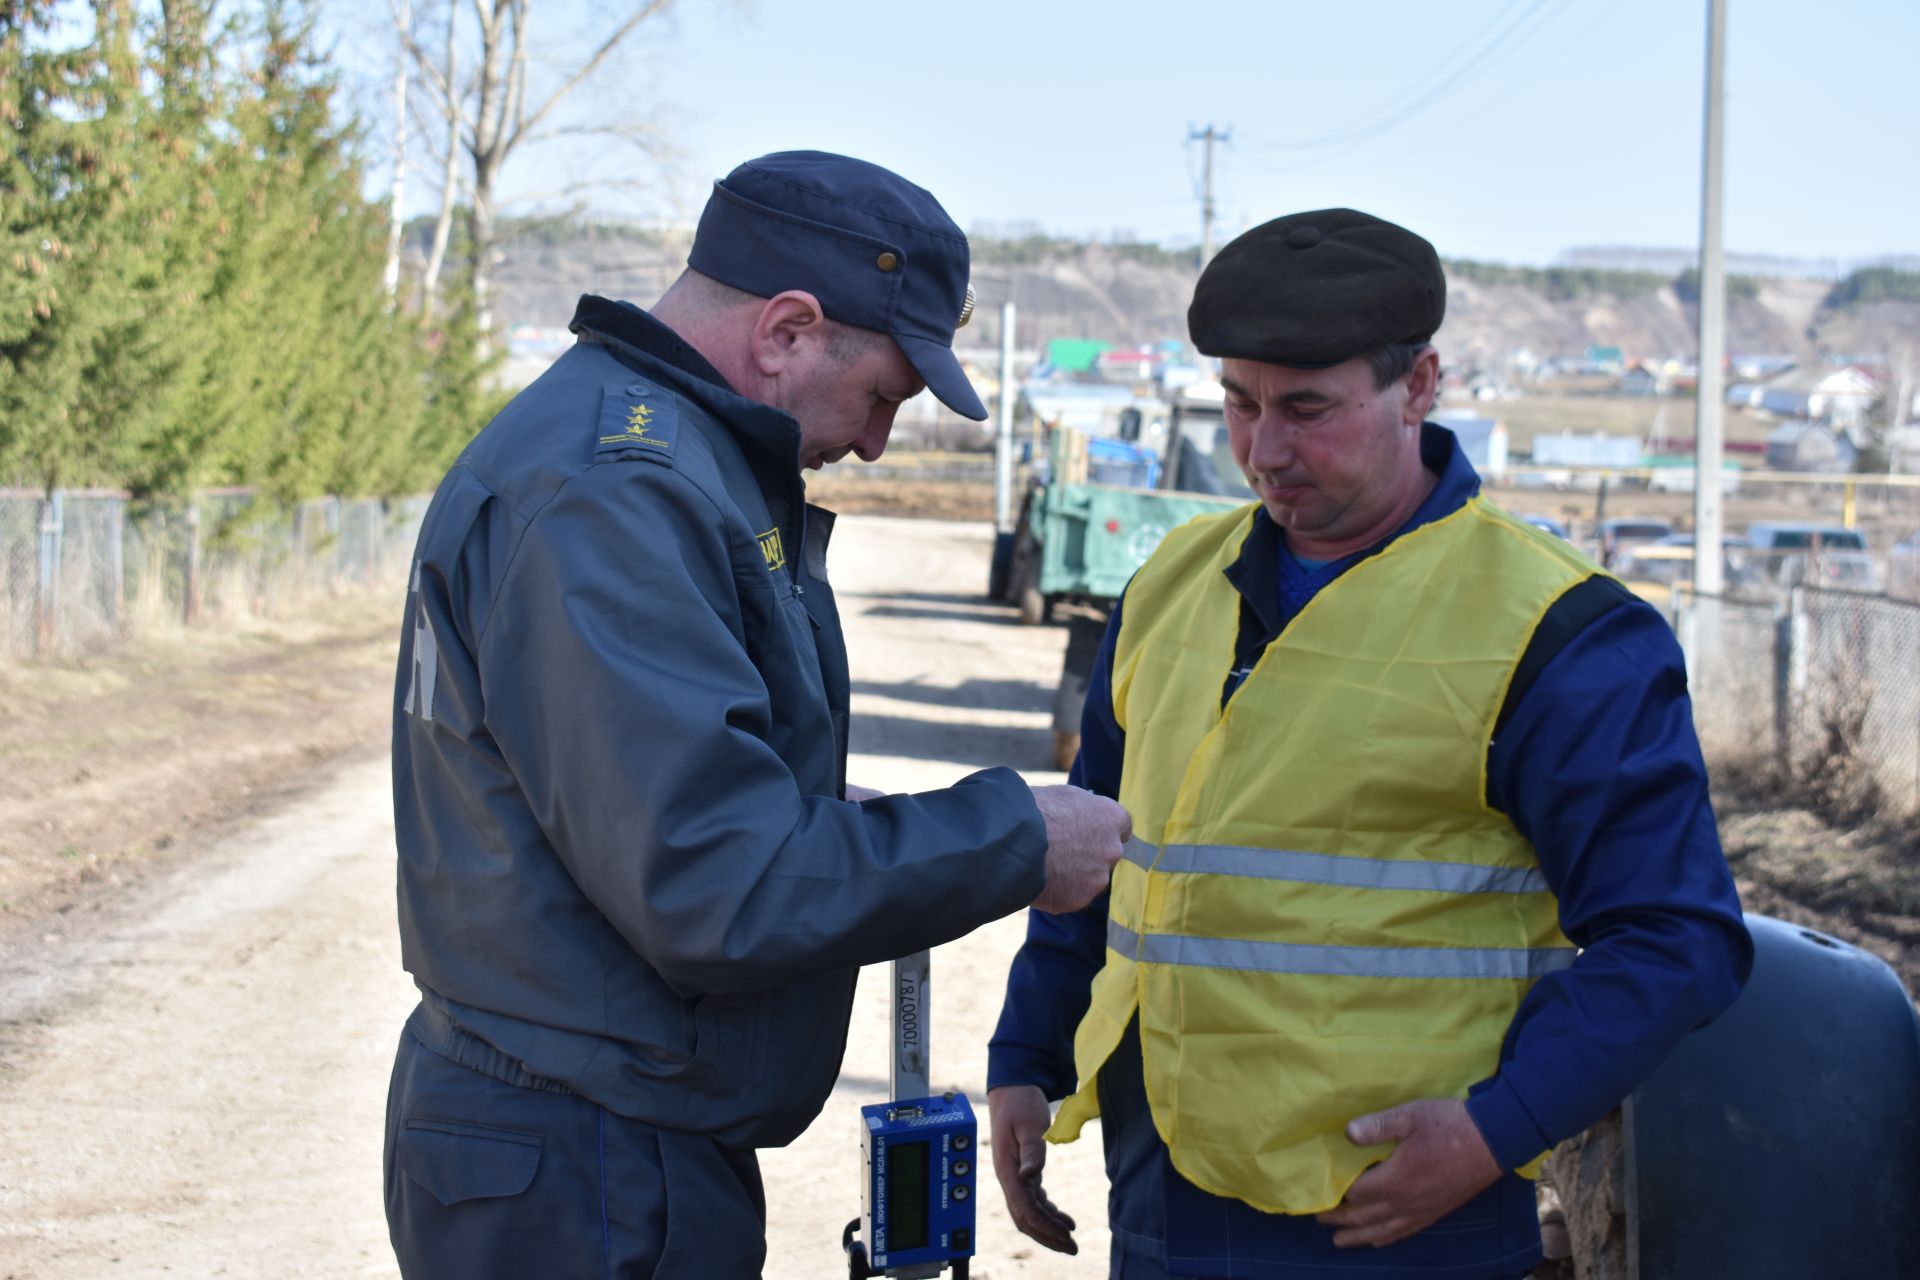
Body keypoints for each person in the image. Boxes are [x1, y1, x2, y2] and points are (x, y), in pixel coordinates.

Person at [382, 150, 1131, 1279]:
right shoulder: (623, 490)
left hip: (600, 1131)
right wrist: (1018, 840)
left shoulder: (653, 456)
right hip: (585, 1155)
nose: (877, 441)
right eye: (884, 393)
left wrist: (826, 807)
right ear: (786, 328)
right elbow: (714, 879)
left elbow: (650, 791)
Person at [986, 208, 1753, 1279]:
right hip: (1163, 1187)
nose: (1264, 449)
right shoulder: (1169, 585)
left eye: (1307, 408)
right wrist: (1028, 1050)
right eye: (1239, 403)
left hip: (1398, 1212)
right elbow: (1100, 852)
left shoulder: (1561, 633)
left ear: (1421, 385)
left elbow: (1678, 934)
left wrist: (1499, 1127)